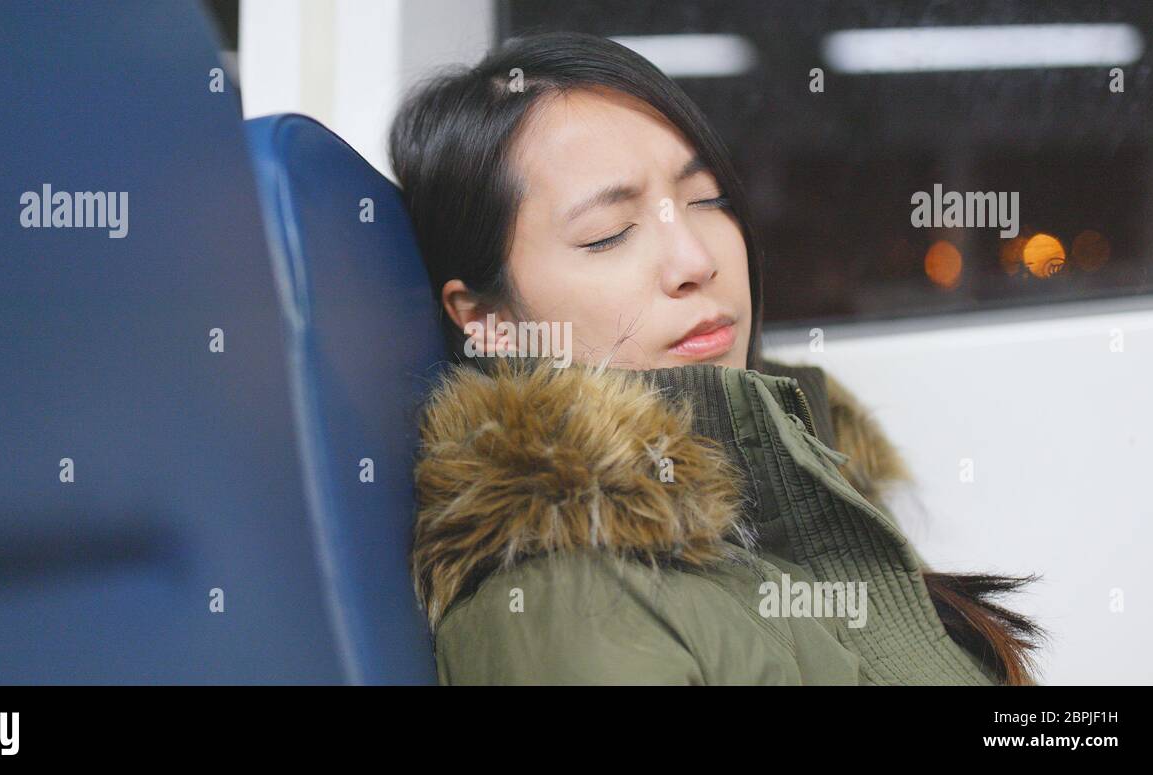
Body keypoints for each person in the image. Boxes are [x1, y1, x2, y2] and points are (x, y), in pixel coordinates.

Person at [389, 31, 1044, 685]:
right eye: (608, 233)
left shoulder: (804, 486)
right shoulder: (562, 606)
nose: (697, 260)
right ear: (490, 322)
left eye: (706, 199)